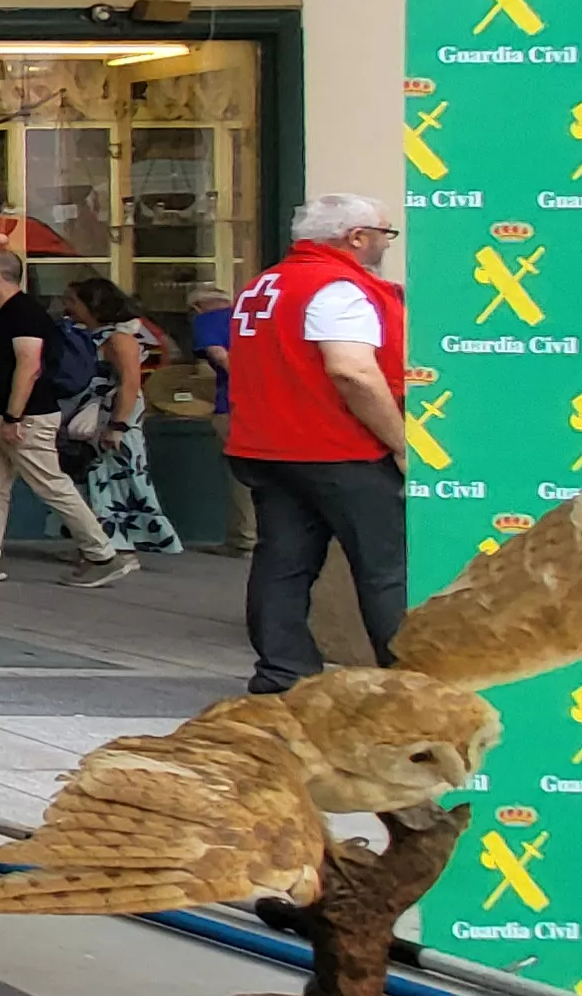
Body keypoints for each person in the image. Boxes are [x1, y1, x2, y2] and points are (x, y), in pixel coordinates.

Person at [223, 194, 411, 693]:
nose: (385, 244)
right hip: (337, 447)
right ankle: (407, 683)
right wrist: (400, 442)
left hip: (266, 446)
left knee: (282, 563)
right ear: (356, 236)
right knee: (383, 568)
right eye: (384, 234)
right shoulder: (337, 288)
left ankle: (282, 673)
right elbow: (353, 371)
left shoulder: (265, 283)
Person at [0, 248, 133, 586]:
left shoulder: (24, 314)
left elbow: (29, 365)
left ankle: (102, 554)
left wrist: (13, 415)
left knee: (50, 483)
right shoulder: (2, 314)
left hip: (24, 418)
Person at [64, 275, 181, 555]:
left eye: (73, 302)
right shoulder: (87, 334)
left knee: (118, 477)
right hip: (89, 418)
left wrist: (118, 424)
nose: (68, 307)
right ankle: (98, 540)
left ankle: (120, 541)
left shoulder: (119, 339)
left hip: (112, 417)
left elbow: (130, 382)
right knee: (92, 478)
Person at [188, 283, 255, 557]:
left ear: (196, 307)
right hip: (274, 406)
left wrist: (245, 385)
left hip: (235, 404)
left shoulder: (207, 320)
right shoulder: (251, 316)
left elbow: (217, 353)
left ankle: (244, 539)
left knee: (241, 475)